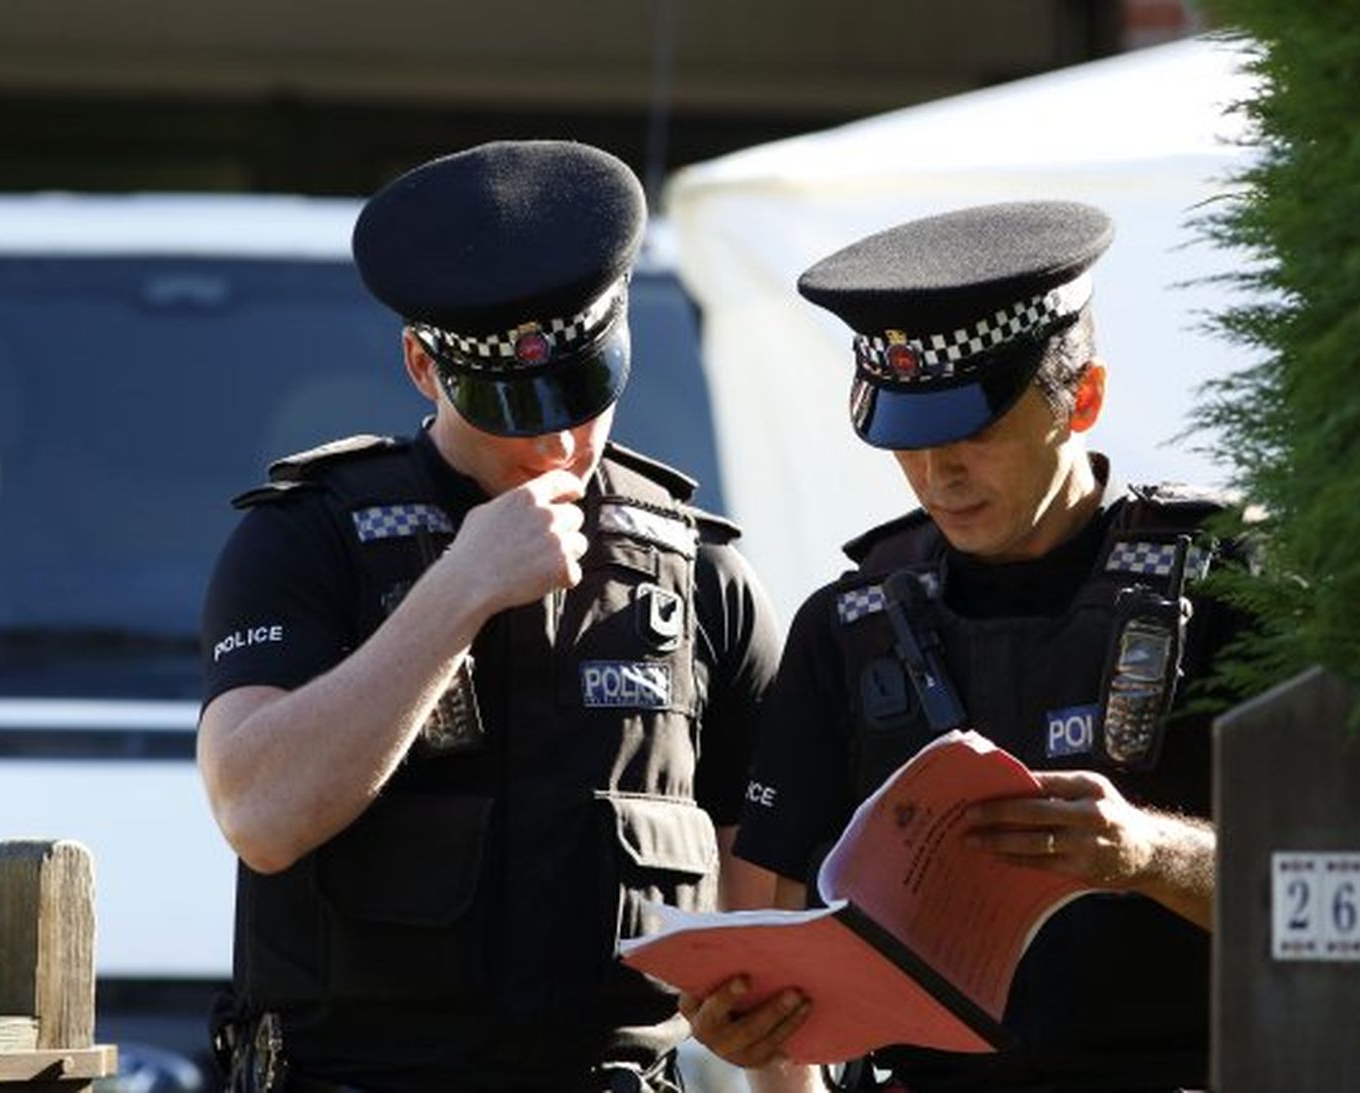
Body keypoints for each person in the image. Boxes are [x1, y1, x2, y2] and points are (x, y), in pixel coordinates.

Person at [196, 140, 781, 1093]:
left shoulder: (702, 573)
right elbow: (258, 811)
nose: (556, 440)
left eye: (585, 394)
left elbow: (769, 934)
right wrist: (459, 589)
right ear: (423, 366)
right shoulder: (309, 541)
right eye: (513, 408)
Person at [681, 201, 1249, 1093]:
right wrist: (747, 1020)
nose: (938, 475)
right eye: (909, 441)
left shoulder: (1228, 589)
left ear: (1084, 397)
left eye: (975, 434)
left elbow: (1347, 893)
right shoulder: (846, 624)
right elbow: (765, 929)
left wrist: (1146, 855)